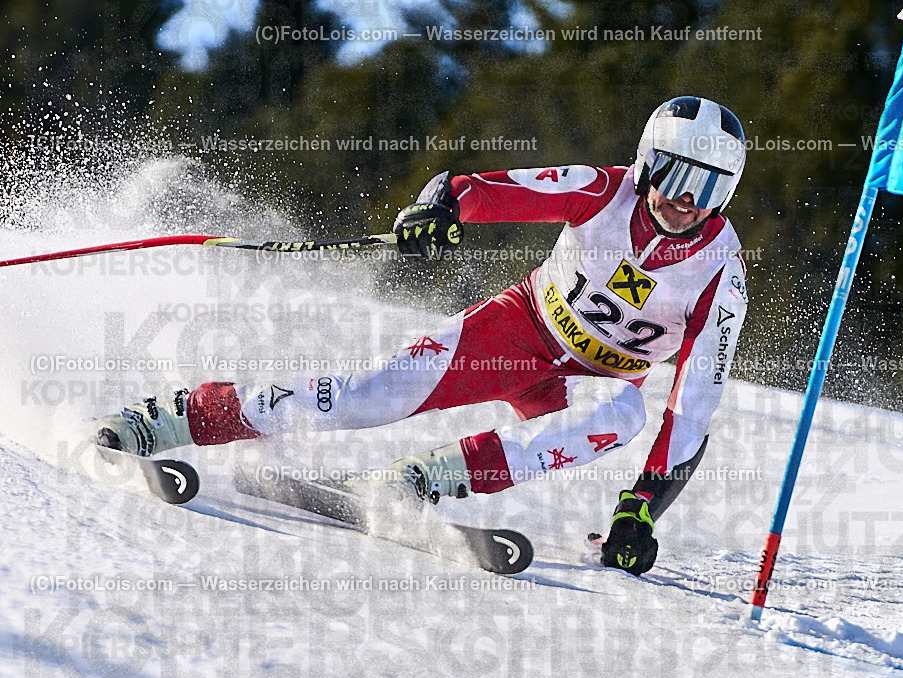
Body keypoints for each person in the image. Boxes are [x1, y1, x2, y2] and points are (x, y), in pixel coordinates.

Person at [94, 96, 749, 576]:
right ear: (646, 162)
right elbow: (478, 190)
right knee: (368, 395)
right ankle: (174, 418)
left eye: (707, 186)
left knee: (623, 412)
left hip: (588, 382)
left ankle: (413, 482)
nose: (684, 199)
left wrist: (641, 508)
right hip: (516, 330)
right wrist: (439, 209)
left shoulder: (720, 275)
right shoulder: (602, 190)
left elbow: (693, 407)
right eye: (674, 174)